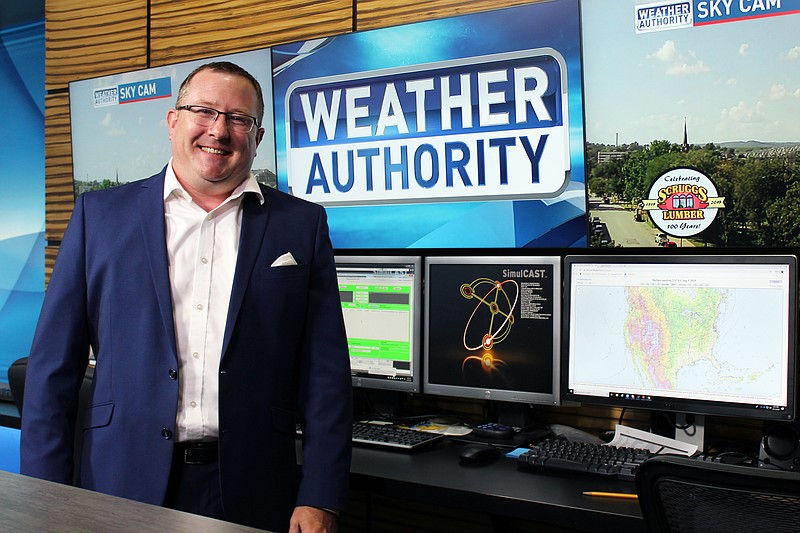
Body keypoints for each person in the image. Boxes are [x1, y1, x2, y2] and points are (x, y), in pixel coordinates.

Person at [20, 61, 353, 533]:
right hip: (120, 480)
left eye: (239, 119)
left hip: (255, 484)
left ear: (257, 137)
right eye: (204, 111)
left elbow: (326, 373)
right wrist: (44, 495)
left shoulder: (300, 225)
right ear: (174, 121)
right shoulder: (100, 217)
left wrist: (322, 494)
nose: (220, 130)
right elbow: (53, 368)